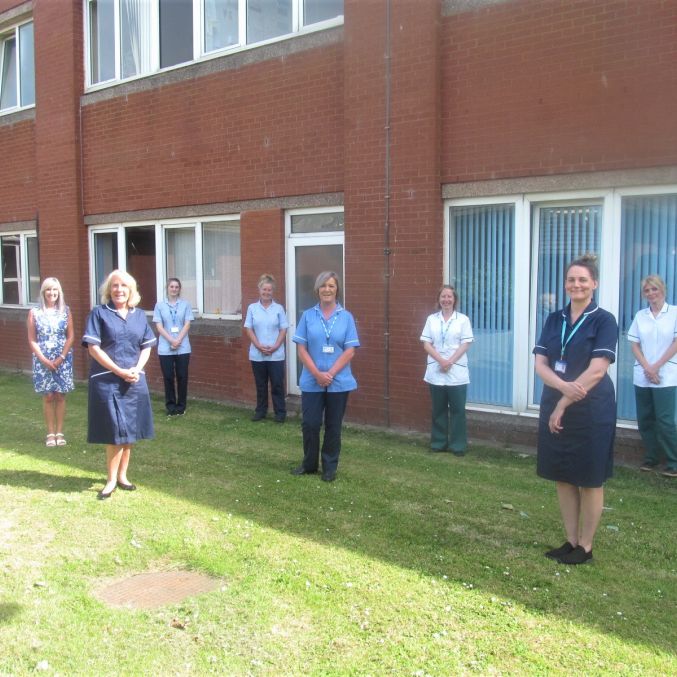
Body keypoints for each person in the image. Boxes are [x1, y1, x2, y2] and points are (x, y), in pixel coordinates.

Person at [533, 253, 618, 565]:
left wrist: (565, 399)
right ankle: (570, 540)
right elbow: (540, 363)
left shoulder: (605, 320)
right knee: (563, 474)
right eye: (571, 280)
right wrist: (561, 389)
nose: (576, 284)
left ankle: (586, 546)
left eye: (583, 279)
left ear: (594, 283)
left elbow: (597, 370)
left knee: (589, 477)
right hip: (557, 398)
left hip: (591, 407)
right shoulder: (554, 319)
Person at [82, 270, 156, 500]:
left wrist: (136, 369)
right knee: (114, 432)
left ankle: (123, 476)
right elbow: (94, 348)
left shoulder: (139, 315)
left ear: (131, 290)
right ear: (108, 289)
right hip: (107, 380)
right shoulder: (99, 314)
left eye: (124, 286)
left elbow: (146, 345)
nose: (119, 290)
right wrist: (119, 370)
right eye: (114, 286)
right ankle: (111, 479)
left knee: (130, 431)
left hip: (133, 381)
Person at [291, 271, 360, 482]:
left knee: (333, 425)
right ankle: (309, 464)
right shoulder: (308, 316)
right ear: (317, 290)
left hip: (339, 382)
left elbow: (350, 351)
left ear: (337, 289)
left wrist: (329, 374)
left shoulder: (346, 317)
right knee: (310, 423)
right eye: (323, 286)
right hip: (312, 380)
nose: (327, 289)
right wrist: (317, 374)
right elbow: (301, 348)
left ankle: (329, 467)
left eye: (331, 285)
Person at [627, 275, 677, 478]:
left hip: (666, 375)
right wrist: (648, 368)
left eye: (654, 289)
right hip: (643, 375)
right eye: (647, 291)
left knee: (665, 420)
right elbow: (634, 344)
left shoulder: (674, 313)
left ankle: (673, 461)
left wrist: (656, 367)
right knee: (645, 419)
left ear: (662, 290)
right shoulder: (641, 316)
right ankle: (651, 458)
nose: (651, 293)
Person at [420, 285, 474, 454]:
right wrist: (441, 361)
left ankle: (458, 445)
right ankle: (438, 443)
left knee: (458, 410)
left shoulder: (463, 320)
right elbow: (426, 343)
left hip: (456, 370)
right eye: (443, 296)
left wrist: (449, 361)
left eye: (449, 297)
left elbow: (466, 343)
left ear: (454, 300)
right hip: (436, 370)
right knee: (438, 409)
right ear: (439, 299)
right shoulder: (431, 319)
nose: (446, 300)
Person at [27, 277, 75, 446]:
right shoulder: (34, 312)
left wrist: (61, 357)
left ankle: (60, 432)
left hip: (63, 357)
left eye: (55, 289)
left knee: (60, 395)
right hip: (42, 359)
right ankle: (50, 433)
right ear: (43, 292)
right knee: (48, 396)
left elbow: (70, 336)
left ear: (59, 292)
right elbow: (32, 339)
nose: (52, 293)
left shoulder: (65, 311)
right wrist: (44, 359)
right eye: (48, 289)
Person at [244, 274, 289, 422]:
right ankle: (261, 411)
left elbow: (283, 329)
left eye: (269, 290)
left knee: (277, 384)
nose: (266, 292)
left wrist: (276, 346)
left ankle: (280, 413)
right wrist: (258, 346)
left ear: (273, 291)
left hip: (276, 355)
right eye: (264, 289)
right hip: (257, 354)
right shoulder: (252, 308)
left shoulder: (279, 309)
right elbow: (249, 329)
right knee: (261, 385)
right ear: (259, 290)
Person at [153, 278, 194, 417]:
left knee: (182, 376)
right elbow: (159, 326)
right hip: (166, 347)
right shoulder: (159, 306)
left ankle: (181, 406)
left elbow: (187, 324)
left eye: (177, 287)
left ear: (179, 289)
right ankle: (171, 406)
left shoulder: (186, 305)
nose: (174, 289)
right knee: (168, 377)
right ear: (167, 288)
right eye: (172, 286)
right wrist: (171, 340)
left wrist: (178, 340)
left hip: (183, 347)